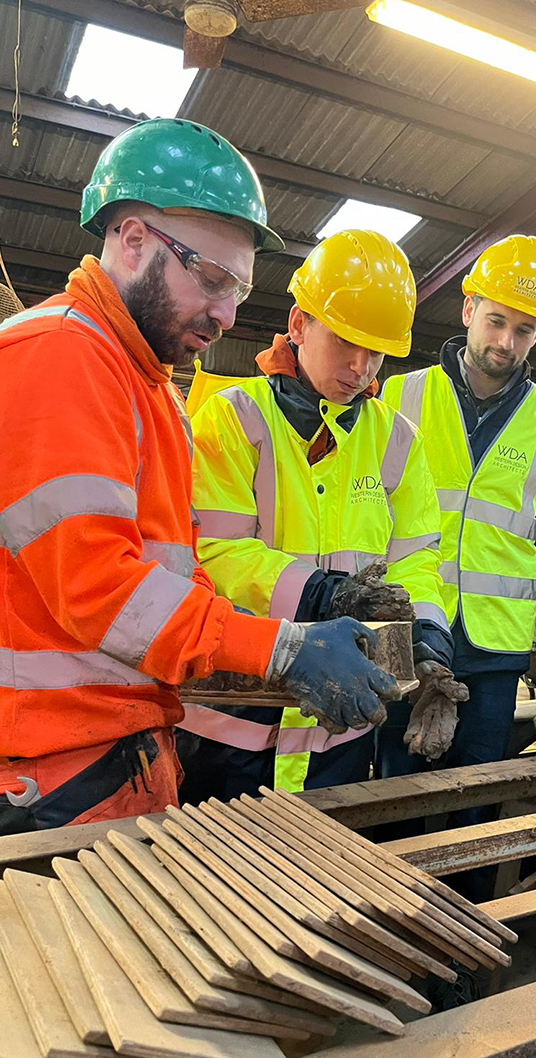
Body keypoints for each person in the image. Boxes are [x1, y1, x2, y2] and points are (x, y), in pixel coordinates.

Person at [0, 120, 397, 834]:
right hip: (52, 773)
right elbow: (100, 590)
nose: (226, 314)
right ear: (132, 240)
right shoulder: (58, 356)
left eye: (238, 290)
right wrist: (282, 649)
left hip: (112, 753)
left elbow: (178, 577)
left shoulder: (149, 384)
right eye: (210, 280)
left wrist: (266, 641)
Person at [175, 229, 462, 798]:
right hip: (233, 722)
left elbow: (416, 560)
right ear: (300, 324)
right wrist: (324, 596)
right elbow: (214, 553)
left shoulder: (397, 440)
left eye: (375, 350)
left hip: (339, 729)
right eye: (345, 341)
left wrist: (429, 640)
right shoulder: (231, 419)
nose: (360, 366)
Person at [377, 234, 536, 899]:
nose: (507, 339)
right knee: (389, 788)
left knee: (477, 797)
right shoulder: (398, 398)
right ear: (467, 310)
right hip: (404, 631)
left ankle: (457, 935)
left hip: (494, 648)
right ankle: (388, 917)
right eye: (497, 319)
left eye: (524, 329)